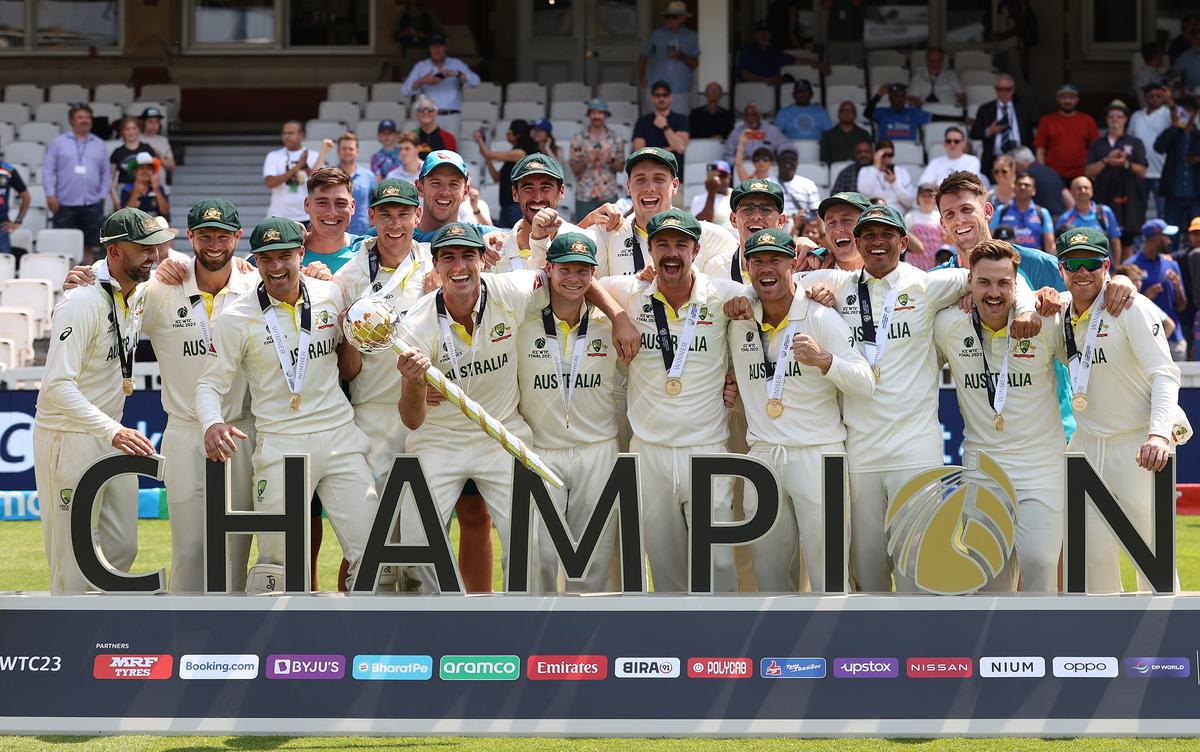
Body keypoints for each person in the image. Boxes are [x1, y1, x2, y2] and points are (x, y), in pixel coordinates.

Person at [793, 204, 1041, 592]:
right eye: (869, 236)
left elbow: (996, 273)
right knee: (868, 572)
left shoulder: (926, 284)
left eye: (886, 235)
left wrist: (1026, 306)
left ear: (904, 242)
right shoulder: (836, 285)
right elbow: (769, 280)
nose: (878, 242)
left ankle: (918, 653)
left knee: (918, 574)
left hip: (915, 450)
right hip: (860, 451)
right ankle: (869, 655)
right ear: (856, 243)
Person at [395, 222, 634, 593]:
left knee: (532, 550)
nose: (460, 266)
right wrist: (414, 384)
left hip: (502, 436)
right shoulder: (416, 324)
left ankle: (522, 635)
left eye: (468, 256)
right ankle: (438, 632)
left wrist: (618, 316)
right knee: (417, 547)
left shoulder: (513, 289)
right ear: (436, 265)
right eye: (449, 258)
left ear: (482, 261)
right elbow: (411, 420)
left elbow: (574, 275)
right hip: (439, 439)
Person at [197, 217, 378, 593]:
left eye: (284, 256)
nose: (276, 267)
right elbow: (209, 383)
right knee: (275, 571)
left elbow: (349, 365)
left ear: (301, 252)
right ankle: (279, 650)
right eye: (266, 259)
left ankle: (365, 645)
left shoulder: (331, 295)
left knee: (373, 556)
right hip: (281, 443)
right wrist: (211, 423)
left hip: (340, 438)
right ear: (256, 261)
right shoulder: (237, 317)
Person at [597, 209, 743, 592]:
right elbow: (581, 281)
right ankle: (677, 650)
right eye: (663, 244)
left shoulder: (723, 295)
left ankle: (722, 651)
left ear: (696, 250)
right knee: (665, 570)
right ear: (650, 250)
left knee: (720, 566)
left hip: (707, 449)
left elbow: (778, 289)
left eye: (681, 244)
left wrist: (818, 287)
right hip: (650, 452)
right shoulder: (631, 292)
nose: (672, 253)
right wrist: (617, 316)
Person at [726, 227, 872, 592]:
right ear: (746, 267)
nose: (766, 269)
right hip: (763, 457)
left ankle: (837, 646)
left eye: (775, 259)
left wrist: (824, 361)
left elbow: (864, 381)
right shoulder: (739, 316)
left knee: (830, 576)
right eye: (757, 261)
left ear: (793, 262)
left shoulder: (820, 317)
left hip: (818, 455)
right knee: (770, 576)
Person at [34, 207, 172, 593]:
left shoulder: (140, 289)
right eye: (143, 248)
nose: (153, 255)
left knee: (122, 548)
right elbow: (57, 387)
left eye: (155, 246)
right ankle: (70, 646)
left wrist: (246, 268)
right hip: (70, 436)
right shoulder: (80, 302)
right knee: (73, 566)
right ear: (114, 252)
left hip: (113, 435)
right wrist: (113, 431)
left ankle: (107, 644)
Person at [1054, 227, 1191, 593]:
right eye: (1073, 264)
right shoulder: (1060, 317)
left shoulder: (1130, 306)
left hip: (1137, 446)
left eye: (1092, 264)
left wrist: (1159, 435)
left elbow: (1165, 374)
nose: (1082, 273)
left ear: (1107, 266)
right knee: (1090, 563)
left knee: (1154, 564)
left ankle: (1164, 649)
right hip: (1085, 447)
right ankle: (1098, 648)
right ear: (1061, 269)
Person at [135, 199, 258, 592]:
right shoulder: (161, 288)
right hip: (185, 430)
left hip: (239, 429)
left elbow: (298, 282)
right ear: (189, 238)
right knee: (189, 549)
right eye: (205, 235)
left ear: (238, 237)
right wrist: (86, 275)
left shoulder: (255, 286)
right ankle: (182, 638)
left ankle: (232, 641)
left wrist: (318, 269)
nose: (215, 244)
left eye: (224, 235)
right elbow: (115, 293)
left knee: (236, 549)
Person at [932, 240, 1068, 592]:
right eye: (984, 283)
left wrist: (1122, 284)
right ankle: (995, 648)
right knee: (988, 577)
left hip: (1040, 467)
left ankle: (1041, 646)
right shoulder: (947, 324)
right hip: (984, 467)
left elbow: (1091, 332)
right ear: (969, 284)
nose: (994, 293)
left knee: (1039, 564)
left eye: (1003, 283)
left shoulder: (1045, 322)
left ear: (1016, 285)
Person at [333, 179, 437, 568]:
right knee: (370, 538)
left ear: (418, 216)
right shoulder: (349, 278)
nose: (396, 225)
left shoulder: (437, 263)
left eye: (404, 214)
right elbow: (347, 369)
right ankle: (363, 618)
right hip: (372, 414)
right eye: (386, 215)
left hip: (428, 414)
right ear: (371, 216)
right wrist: (349, 335)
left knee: (420, 536)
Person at [517, 232, 621, 592]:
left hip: (597, 448)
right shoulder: (523, 320)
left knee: (593, 560)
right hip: (541, 449)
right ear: (548, 269)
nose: (574, 279)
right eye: (565, 270)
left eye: (583, 271)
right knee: (540, 557)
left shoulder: (609, 323)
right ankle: (537, 639)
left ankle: (588, 642)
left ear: (594, 274)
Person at [580, 148, 738, 277]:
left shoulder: (708, 235)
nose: (649, 188)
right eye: (640, 179)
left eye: (659, 179)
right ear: (628, 186)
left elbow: (744, 268)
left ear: (675, 185)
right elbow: (563, 252)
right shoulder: (610, 232)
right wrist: (588, 220)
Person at [43, 104, 109, 262]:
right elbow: (48, 171)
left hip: (92, 202)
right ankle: (66, 276)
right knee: (64, 242)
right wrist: (50, 195)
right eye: (80, 117)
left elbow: (106, 173)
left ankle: (87, 276)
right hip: (65, 202)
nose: (84, 120)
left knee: (90, 243)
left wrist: (101, 196)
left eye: (87, 117)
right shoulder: (58, 143)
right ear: (72, 121)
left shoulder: (99, 144)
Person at [1085, 100, 1148, 253]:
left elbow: (1143, 170)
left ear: (1125, 119)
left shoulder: (1135, 142)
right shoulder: (1097, 144)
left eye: (1119, 116)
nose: (1115, 119)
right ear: (1106, 119)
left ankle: (1124, 275)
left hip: (1129, 199)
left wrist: (1125, 163)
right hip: (1104, 197)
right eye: (1111, 116)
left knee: (1127, 240)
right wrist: (1106, 160)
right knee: (1102, 241)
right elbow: (1088, 172)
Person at [1129, 219, 1188, 360]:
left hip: (1174, 340)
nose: (1169, 241)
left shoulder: (1172, 264)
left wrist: (1178, 287)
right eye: (1165, 237)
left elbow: (1181, 307)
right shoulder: (1129, 266)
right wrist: (1146, 296)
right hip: (1143, 339)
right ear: (1155, 238)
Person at [400, 31, 480, 129]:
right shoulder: (421, 66)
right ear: (429, 49)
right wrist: (422, 81)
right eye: (433, 46)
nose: (436, 49)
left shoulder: (456, 64)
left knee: (451, 145)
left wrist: (457, 74)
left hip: (452, 118)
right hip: (428, 117)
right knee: (428, 145)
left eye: (439, 46)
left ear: (445, 48)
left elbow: (476, 81)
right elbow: (405, 91)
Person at [638, 1, 699, 116]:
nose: (669, 20)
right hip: (656, 87)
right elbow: (643, 55)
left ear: (683, 18)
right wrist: (642, 78)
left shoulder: (692, 36)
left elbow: (695, 63)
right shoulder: (656, 35)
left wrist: (680, 56)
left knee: (679, 124)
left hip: (680, 88)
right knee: (653, 124)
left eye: (674, 16)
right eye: (667, 16)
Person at [263, 121, 330, 224]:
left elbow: (320, 184)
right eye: (284, 133)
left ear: (301, 135)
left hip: (307, 216)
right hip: (279, 216)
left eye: (290, 133)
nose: (286, 136)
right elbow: (270, 183)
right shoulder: (274, 156)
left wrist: (307, 165)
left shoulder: (313, 156)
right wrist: (298, 166)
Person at [969, 74, 1035, 179]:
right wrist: (989, 131)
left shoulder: (1023, 109)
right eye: (1000, 89)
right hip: (993, 159)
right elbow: (974, 133)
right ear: (995, 90)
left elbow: (1029, 137)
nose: (1004, 93)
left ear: (1013, 90)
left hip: (1019, 160)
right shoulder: (985, 109)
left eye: (1007, 89)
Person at [568, 99, 625, 220]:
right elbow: (575, 169)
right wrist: (587, 159)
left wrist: (609, 160)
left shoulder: (616, 139)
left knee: (610, 233)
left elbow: (621, 167)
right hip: (585, 195)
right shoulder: (578, 139)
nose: (597, 116)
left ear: (605, 115)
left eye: (600, 113)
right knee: (582, 234)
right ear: (589, 115)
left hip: (608, 193)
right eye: (593, 112)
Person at [300, 167, 364, 273]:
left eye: (341, 203)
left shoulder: (367, 252)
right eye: (322, 203)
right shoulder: (289, 255)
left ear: (352, 206)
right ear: (307, 205)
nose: (332, 212)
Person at [476, 119, 536, 229]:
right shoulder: (512, 155)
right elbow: (496, 177)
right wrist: (488, 160)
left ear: (517, 134)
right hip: (506, 206)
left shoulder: (520, 153)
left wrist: (479, 139)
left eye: (510, 131)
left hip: (516, 206)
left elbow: (488, 154)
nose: (507, 134)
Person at [1035, 83, 1099, 181]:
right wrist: (1043, 173)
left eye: (1071, 97)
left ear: (1077, 100)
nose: (1067, 101)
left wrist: (1091, 171)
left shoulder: (1087, 120)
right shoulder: (1047, 120)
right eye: (1063, 97)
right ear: (1058, 99)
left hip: (1082, 174)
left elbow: (1095, 149)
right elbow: (1040, 150)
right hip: (1053, 174)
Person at [1153, 97, 1200, 231]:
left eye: (1189, 111)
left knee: (1196, 232)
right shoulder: (1173, 133)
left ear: (1195, 114)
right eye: (1182, 111)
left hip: (1195, 194)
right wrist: (1175, 125)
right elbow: (1158, 147)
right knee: (1171, 232)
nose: (1185, 114)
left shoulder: (1198, 135)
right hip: (1173, 193)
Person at [1130, 82, 1175, 219]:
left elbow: (1183, 121)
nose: (1155, 98)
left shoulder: (1168, 113)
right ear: (1145, 97)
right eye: (1151, 96)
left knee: (1163, 212)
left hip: (1162, 173)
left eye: (1158, 96)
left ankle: (1163, 241)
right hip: (1140, 172)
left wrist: (1170, 102)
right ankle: (1138, 241)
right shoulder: (1136, 116)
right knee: (1138, 210)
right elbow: (1129, 139)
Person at [632, 82, 690, 182]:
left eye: (665, 95)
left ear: (670, 97)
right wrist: (669, 149)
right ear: (652, 98)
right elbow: (639, 151)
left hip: (675, 177)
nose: (661, 98)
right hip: (648, 178)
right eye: (657, 95)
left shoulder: (681, 119)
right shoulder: (643, 121)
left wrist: (665, 127)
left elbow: (680, 148)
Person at [1058, 176, 1123, 261]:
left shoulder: (1104, 212)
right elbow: (1060, 248)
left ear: (1092, 191)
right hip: (1077, 269)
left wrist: (1116, 267)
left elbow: (1115, 241)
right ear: (1071, 192)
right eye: (1079, 188)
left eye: (1086, 187)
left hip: (1104, 268)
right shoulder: (1064, 219)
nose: (1083, 191)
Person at [990, 173, 1055, 253]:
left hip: (1035, 262)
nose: (1022, 187)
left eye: (1027, 185)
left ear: (1033, 191)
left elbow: (1049, 247)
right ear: (1014, 188)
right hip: (1008, 260)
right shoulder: (1001, 210)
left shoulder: (1042, 213)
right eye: (1019, 184)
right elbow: (990, 240)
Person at [736, 19, 815, 85]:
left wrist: (819, 64)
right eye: (761, 32)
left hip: (772, 91)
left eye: (767, 32)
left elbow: (798, 61)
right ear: (755, 34)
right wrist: (767, 80)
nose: (764, 35)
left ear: (771, 35)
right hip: (749, 90)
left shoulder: (775, 52)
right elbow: (745, 75)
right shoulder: (747, 50)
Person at [815, 190, 873, 272]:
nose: (839, 229)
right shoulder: (812, 276)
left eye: (847, 220)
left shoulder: (892, 276)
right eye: (831, 222)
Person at [109, 116, 157, 207]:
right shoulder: (117, 152)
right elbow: (110, 180)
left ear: (139, 129)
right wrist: (116, 201)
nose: (131, 132)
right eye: (127, 129)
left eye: (134, 128)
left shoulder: (147, 149)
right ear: (122, 131)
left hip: (144, 189)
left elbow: (155, 174)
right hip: (123, 190)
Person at [1013, 146, 1071, 219]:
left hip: (1037, 221)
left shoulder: (1025, 178)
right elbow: (1070, 201)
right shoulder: (1052, 172)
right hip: (1059, 218)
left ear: (1018, 164)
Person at [335, 133, 376, 236]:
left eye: (351, 149)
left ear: (357, 151)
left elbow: (374, 204)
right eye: (344, 148)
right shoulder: (330, 175)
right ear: (338, 151)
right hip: (335, 232)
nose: (347, 151)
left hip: (363, 234)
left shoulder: (369, 176)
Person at [857, 139, 915, 211]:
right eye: (883, 155)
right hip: (872, 211)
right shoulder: (865, 170)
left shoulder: (902, 172)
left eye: (890, 155)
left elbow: (909, 202)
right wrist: (876, 167)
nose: (887, 158)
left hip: (896, 214)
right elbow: (865, 193)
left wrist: (894, 183)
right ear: (876, 155)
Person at [919, 126, 984, 186]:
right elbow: (924, 185)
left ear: (963, 144)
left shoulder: (972, 160)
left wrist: (937, 184)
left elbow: (967, 183)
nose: (952, 144)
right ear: (944, 144)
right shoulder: (934, 162)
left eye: (956, 141)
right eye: (948, 141)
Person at [865, 83, 931, 142]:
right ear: (890, 99)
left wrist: (922, 106)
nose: (899, 99)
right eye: (896, 96)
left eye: (902, 96)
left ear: (905, 98)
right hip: (886, 150)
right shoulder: (882, 112)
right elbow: (867, 113)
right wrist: (878, 96)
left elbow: (937, 118)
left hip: (908, 151)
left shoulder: (914, 113)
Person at [118, 153, 169, 222]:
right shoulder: (127, 189)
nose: (145, 171)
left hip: (155, 227)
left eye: (148, 168)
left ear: (153, 172)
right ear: (135, 172)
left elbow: (165, 211)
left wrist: (156, 191)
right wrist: (136, 192)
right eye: (141, 168)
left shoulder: (158, 188)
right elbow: (125, 216)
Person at [903, 184, 943, 270]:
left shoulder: (940, 217)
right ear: (918, 198)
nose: (927, 198)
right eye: (923, 196)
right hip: (914, 264)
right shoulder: (910, 217)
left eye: (930, 196)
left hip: (934, 263)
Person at [819, 101, 872, 165]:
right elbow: (824, 160)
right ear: (838, 114)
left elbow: (868, 157)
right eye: (844, 110)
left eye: (850, 111)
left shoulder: (864, 134)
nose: (847, 113)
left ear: (855, 114)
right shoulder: (828, 135)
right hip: (834, 172)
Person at [775, 144, 819, 217]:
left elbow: (815, 214)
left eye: (792, 158)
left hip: (801, 226)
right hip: (776, 225)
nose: (788, 161)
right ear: (778, 162)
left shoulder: (809, 184)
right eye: (784, 158)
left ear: (797, 162)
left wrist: (804, 217)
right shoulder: (768, 183)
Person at [690, 160, 733, 229]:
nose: (718, 179)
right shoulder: (699, 198)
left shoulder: (736, 195)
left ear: (729, 177)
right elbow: (700, 224)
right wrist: (711, 194)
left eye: (722, 175)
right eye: (714, 175)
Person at [0, 158, 29, 259]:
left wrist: (18, 221)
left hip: (1, 228)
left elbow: (26, 196)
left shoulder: (7, 169)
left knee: (4, 267)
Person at [822, 0, 865, 65]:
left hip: (854, 39)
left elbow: (857, 3)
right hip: (834, 40)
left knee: (856, 70)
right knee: (833, 70)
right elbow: (825, 6)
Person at [139, 106, 176, 175]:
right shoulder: (136, 138)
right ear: (143, 123)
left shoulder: (163, 140)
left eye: (157, 122)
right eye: (150, 121)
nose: (154, 125)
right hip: (139, 183)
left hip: (159, 183)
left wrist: (160, 158)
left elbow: (172, 166)